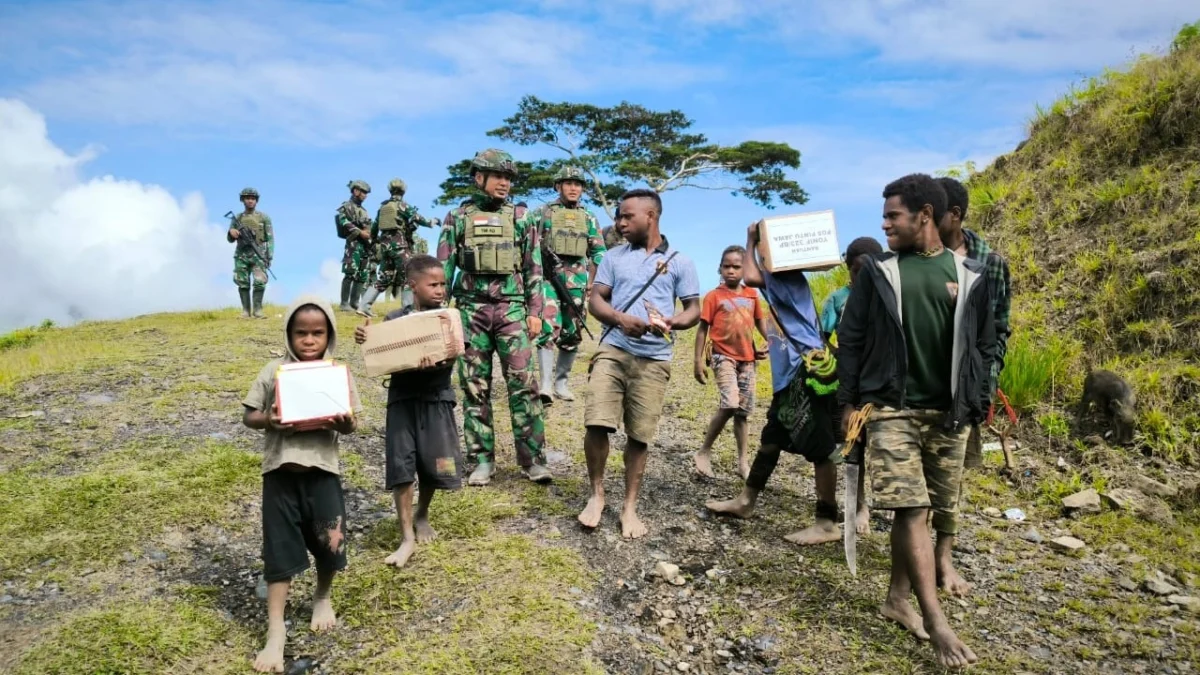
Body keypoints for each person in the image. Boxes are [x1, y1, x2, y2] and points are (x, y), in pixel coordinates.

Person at [837, 173, 993, 669]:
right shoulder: (878, 274)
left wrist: (978, 398)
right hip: (890, 408)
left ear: (924, 215)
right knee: (909, 509)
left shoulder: (970, 273)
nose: (885, 225)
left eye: (893, 216)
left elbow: (985, 345)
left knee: (927, 512)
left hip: (948, 415)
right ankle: (936, 621)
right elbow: (852, 339)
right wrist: (847, 404)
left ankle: (896, 598)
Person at [705, 221, 855, 544]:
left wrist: (749, 238)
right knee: (772, 438)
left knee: (821, 447)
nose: (757, 255)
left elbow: (751, 275)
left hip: (806, 373)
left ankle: (827, 521)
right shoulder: (789, 279)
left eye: (762, 250)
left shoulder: (785, 278)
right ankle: (746, 501)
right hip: (790, 378)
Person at [241, 295, 361, 673]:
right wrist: (270, 421)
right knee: (277, 551)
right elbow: (250, 416)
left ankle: (322, 596)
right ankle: (275, 631)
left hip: (323, 472)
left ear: (329, 336)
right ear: (289, 335)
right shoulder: (274, 370)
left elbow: (353, 422)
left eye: (317, 333)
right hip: (280, 475)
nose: (309, 341)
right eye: (301, 333)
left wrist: (344, 423)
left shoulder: (337, 373)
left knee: (331, 540)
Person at [579, 188, 700, 539]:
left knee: (640, 434)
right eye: (619, 216)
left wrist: (673, 322)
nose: (620, 222)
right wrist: (620, 319)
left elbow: (693, 308)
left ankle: (629, 507)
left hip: (654, 358)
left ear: (651, 216)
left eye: (627, 216)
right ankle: (597, 494)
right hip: (613, 350)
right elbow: (596, 301)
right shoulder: (613, 257)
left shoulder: (681, 261)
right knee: (596, 422)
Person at [437, 149, 551, 485]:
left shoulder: (521, 218)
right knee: (474, 386)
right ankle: (481, 461)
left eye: (508, 177)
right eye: (497, 175)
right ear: (479, 178)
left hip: (512, 310)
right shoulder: (457, 217)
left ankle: (533, 461)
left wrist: (535, 311)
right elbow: (443, 268)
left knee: (524, 384)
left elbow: (533, 266)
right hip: (471, 310)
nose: (504, 182)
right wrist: (440, 315)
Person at [354, 255, 462, 569]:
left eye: (443, 284)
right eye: (433, 284)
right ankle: (406, 536)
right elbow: (380, 355)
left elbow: (454, 353)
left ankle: (422, 513)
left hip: (436, 398)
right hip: (402, 400)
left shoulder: (447, 318)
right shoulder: (393, 319)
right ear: (412, 285)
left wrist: (436, 362)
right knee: (401, 466)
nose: (440, 290)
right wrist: (366, 339)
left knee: (433, 463)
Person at [934, 175, 1013, 597]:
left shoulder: (991, 263)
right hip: (918, 383)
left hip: (963, 386)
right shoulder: (914, 257)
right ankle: (911, 551)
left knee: (952, 479)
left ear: (955, 215)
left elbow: (998, 329)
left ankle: (943, 558)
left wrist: (985, 381)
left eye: (934, 209)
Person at [529, 166, 607, 403]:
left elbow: (599, 251)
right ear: (558, 186)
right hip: (547, 279)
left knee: (572, 332)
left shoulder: (589, 217)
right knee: (548, 326)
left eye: (578, 184)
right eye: (568, 183)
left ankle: (561, 383)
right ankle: (545, 385)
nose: (573, 188)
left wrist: (597, 281)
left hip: (577, 282)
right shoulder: (541, 213)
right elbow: (527, 244)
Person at [692, 245, 769, 479]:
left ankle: (743, 462)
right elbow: (702, 329)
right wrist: (698, 361)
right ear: (720, 269)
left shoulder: (752, 295)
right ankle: (703, 451)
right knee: (731, 402)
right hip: (722, 356)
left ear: (744, 269)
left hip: (748, 359)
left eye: (737, 266)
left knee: (743, 413)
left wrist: (771, 342)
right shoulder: (714, 296)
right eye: (727, 266)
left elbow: (760, 323)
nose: (731, 271)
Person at [358, 178, 439, 317]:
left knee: (384, 278)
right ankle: (408, 310)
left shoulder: (382, 208)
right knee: (408, 275)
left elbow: (375, 228)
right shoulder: (403, 206)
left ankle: (364, 306)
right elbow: (419, 219)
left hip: (385, 247)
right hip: (399, 246)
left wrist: (375, 241)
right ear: (403, 191)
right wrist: (433, 222)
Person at [819, 237, 884, 341]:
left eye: (869, 271)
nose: (863, 277)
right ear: (848, 268)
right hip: (851, 355)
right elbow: (823, 337)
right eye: (857, 271)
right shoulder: (837, 299)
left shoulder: (890, 293)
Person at [227, 187, 274, 319]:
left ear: (256, 201)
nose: (250, 201)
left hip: (258, 253)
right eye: (247, 198)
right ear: (242, 200)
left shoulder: (264, 218)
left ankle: (257, 310)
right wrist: (231, 233)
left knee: (260, 281)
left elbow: (270, 238)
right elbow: (230, 239)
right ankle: (245, 311)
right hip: (241, 254)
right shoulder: (237, 218)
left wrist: (269, 255)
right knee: (242, 282)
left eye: (253, 198)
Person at [336, 180, 375, 312]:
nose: (365, 195)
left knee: (362, 275)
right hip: (353, 244)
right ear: (355, 191)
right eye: (363, 192)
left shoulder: (364, 211)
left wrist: (369, 234)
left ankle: (354, 302)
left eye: (366, 192)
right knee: (350, 273)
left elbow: (368, 227)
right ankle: (344, 303)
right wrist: (359, 232)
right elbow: (343, 220)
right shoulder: (346, 206)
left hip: (364, 245)